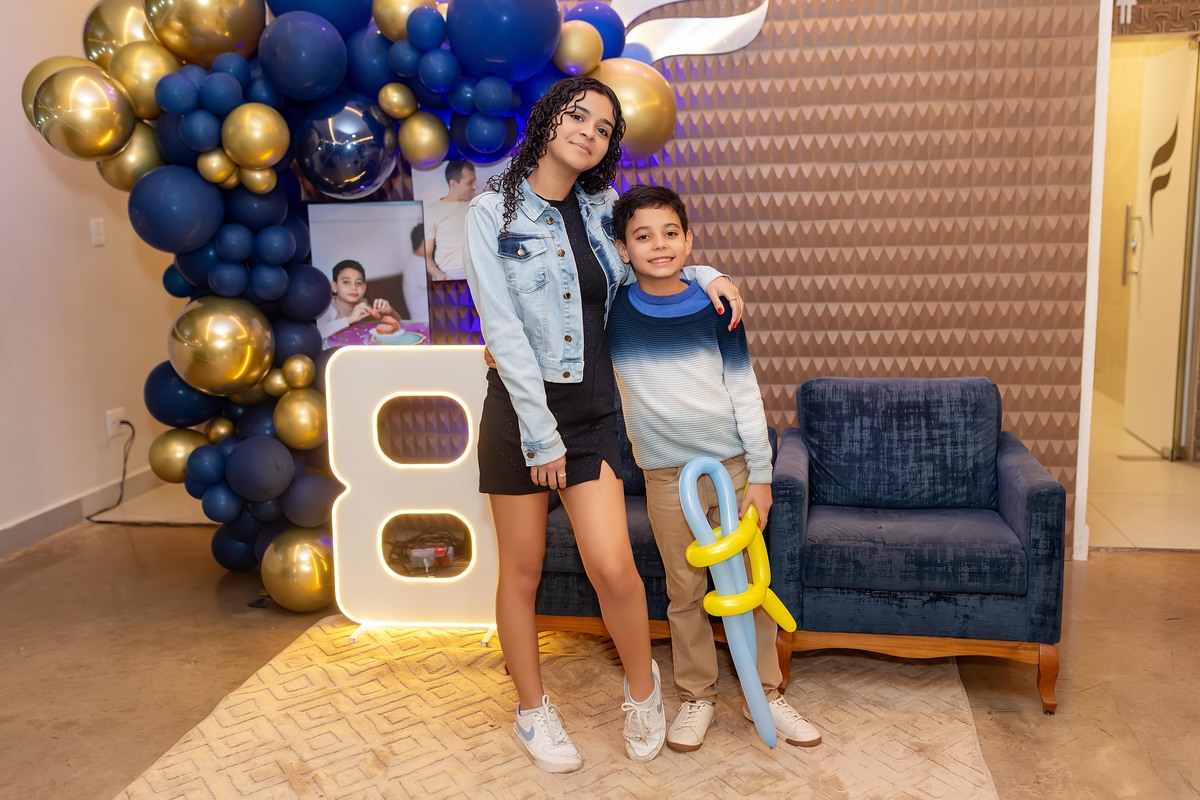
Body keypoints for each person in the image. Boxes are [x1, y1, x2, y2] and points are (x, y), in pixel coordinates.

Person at [462, 76, 745, 774]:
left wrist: (704, 272)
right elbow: (503, 331)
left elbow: (655, 257)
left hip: (592, 412)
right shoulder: (490, 213)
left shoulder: (603, 206)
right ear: (548, 119)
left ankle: (643, 693)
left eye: (604, 127)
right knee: (521, 570)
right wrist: (539, 436)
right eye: (578, 116)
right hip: (520, 414)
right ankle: (532, 711)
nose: (589, 132)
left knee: (614, 567)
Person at [607, 184, 823, 753]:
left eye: (670, 233)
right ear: (624, 250)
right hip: (663, 475)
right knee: (684, 592)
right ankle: (697, 696)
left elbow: (744, 390)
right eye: (643, 236)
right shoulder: (612, 310)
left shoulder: (717, 306)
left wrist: (761, 475)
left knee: (749, 585)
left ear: (689, 239)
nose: (659, 245)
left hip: (731, 468)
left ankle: (765, 695)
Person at [315, 259, 396, 343]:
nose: (354, 287)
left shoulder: (364, 306)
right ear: (334, 286)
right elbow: (317, 332)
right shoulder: (327, 308)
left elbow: (396, 326)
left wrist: (390, 311)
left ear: (364, 288)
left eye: (359, 283)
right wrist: (350, 319)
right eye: (346, 282)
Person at [423, 160, 478, 281]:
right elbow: (425, 255)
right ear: (453, 183)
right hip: (451, 276)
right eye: (470, 183)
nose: (475, 186)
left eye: (474, 181)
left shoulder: (478, 205)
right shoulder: (432, 211)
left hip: (480, 274)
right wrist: (439, 276)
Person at [402, 224, 430, 324]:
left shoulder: (413, 261)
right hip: (426, 323)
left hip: (420, 321)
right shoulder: (420, 265)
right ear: (424, 242)